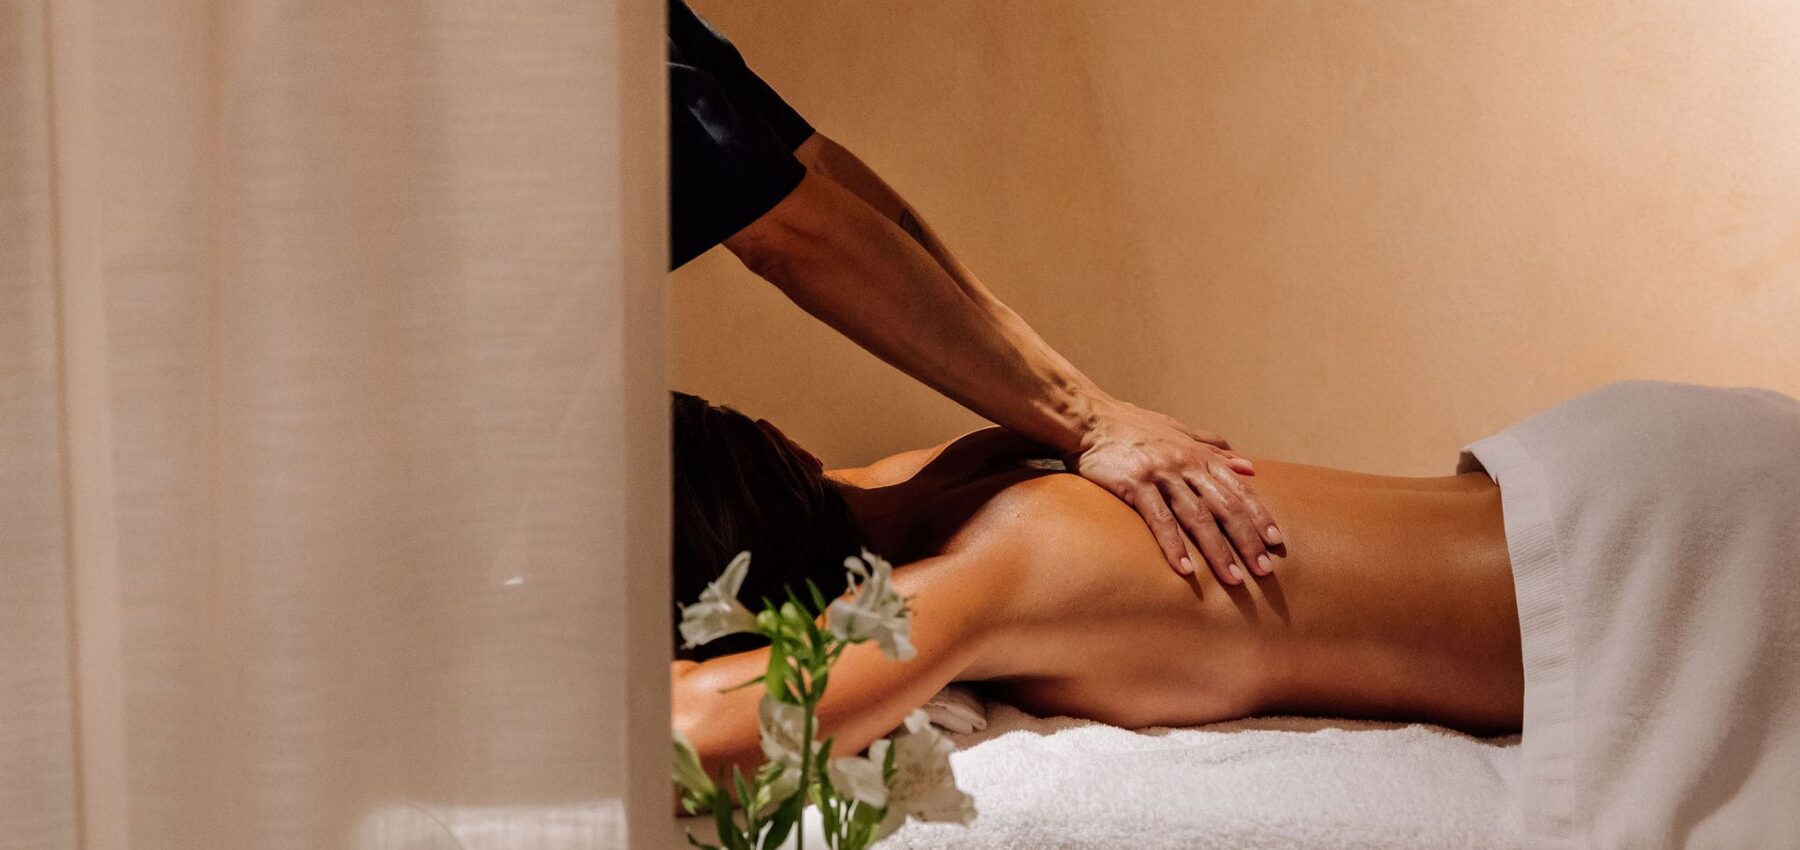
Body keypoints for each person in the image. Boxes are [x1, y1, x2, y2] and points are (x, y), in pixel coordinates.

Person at [671, 381, 1800, 846]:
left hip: (1682, 577)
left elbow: (699, 736)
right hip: (1627, 481)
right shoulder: (950, 466)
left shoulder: (988, 573)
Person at [668, 0, 1279, 584]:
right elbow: (790, 231)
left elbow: (806, 175)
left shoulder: (969, 543)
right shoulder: (965, 488)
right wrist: (1085, 419)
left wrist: (1089, 410)